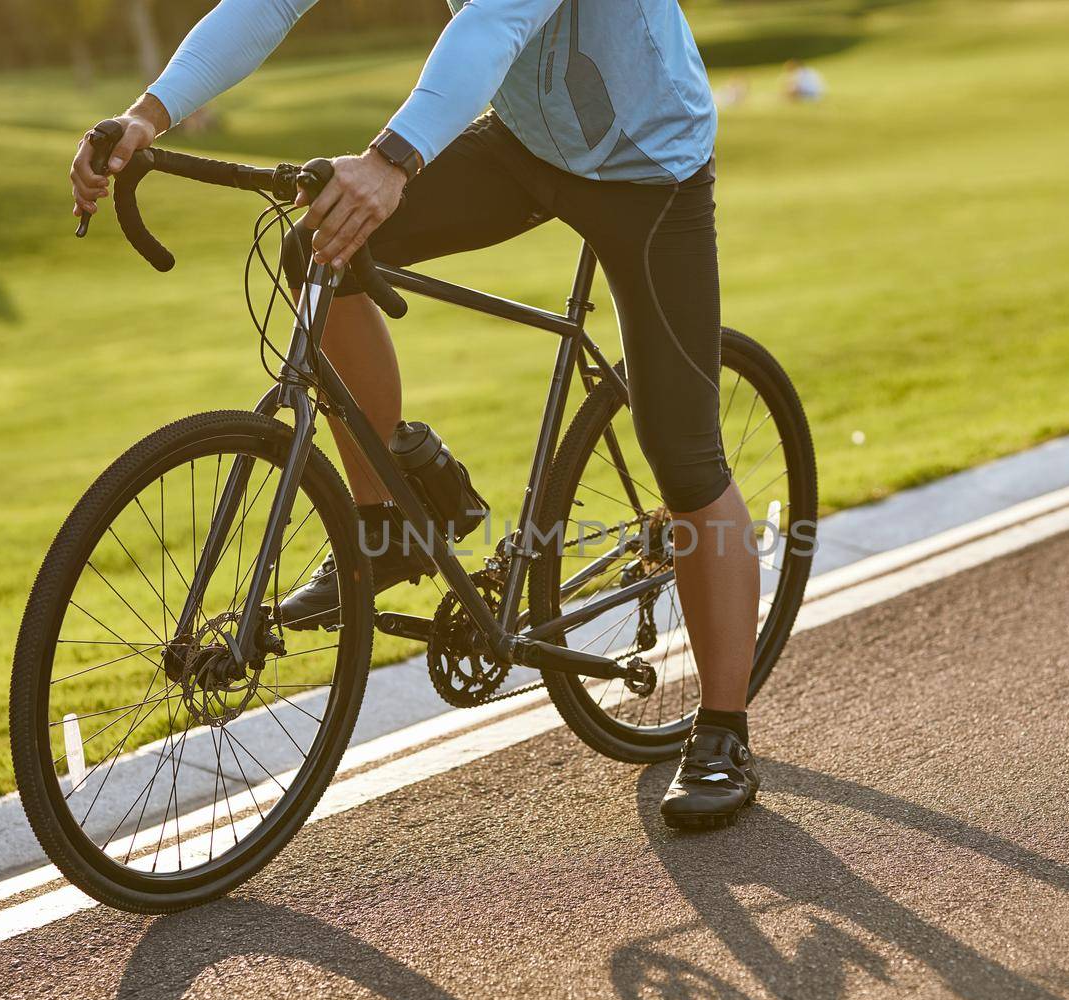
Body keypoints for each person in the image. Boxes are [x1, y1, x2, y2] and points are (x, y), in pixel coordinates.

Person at [69, 0, 762, 830]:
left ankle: (722, 730)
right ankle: (386, 516)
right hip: (525, 142)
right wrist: (149, 115)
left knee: (683, 458)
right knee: (319, 245)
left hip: (649, 164)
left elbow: (493, 24)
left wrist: (389, 161)